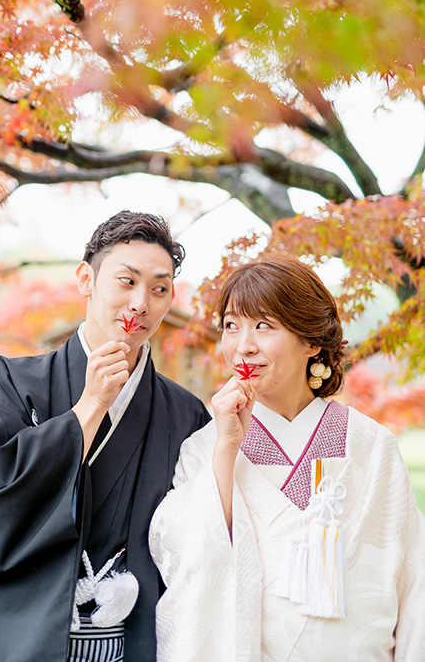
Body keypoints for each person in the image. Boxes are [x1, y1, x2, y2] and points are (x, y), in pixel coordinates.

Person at [0, 210, 210, 662]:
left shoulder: (186, 414)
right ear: (86, 279)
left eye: (159, 289)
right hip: (31, 641)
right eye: (127, 281)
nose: (141, 303)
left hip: (132, 644)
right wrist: (88, 408)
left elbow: (200, 537)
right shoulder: (6, 386)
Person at [149, 252, 425, 662]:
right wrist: (225, 450)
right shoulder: (206, 447)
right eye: (231, 326)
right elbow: (185, 559)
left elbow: (413, 580)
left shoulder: (372, 445)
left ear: (311, 341)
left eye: (263, 325)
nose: (243, 346)